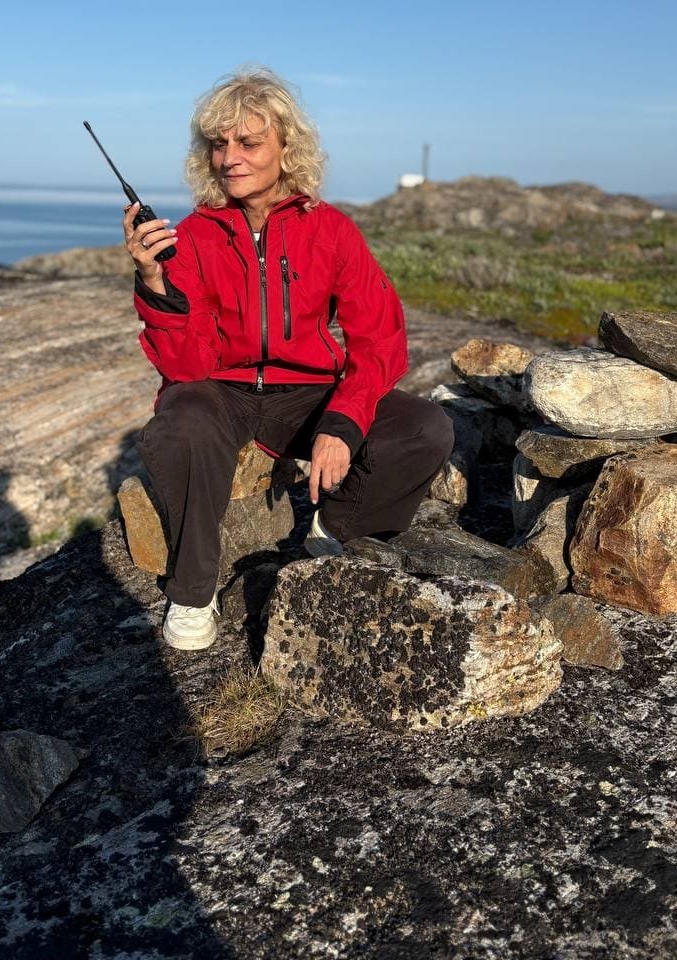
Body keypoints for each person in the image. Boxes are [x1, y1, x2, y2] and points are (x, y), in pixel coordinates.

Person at [122, 67, 453, 651]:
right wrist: (154, 282)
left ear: (286, 148)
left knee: (424, 428)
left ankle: (335, 527)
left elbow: (380, 338)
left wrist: (343, 421)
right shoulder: (192, 236)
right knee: (180, 425)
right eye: (219, 143)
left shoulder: (332, 230)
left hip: (307, 392)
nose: (230, 158)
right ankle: (192, 589)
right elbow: (187, 367)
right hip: (221, 390)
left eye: (249, 142)